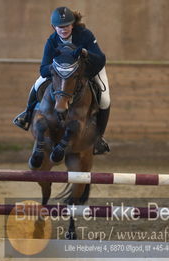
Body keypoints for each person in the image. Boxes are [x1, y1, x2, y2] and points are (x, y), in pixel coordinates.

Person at [13, 6, 111, 155]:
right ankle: (26, 115)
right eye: (60, 27)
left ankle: (99, 138)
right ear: (54, 27)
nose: (63, 30)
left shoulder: (85, 35)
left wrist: (86, 54)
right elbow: (43, 69)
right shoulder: (52, 40)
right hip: (60, 74)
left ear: (72, 25)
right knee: (37, 84)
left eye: (66, 26)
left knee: (105, 98)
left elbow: (101, 59)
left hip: (89, 70)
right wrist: (56, 69)